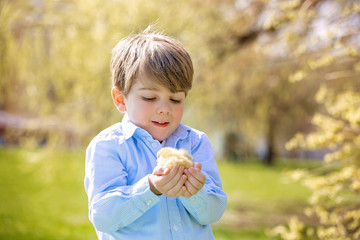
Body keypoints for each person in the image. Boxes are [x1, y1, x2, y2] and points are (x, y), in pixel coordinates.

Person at [84, 26, 227, 240]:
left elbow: (214, 212)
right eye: (150, 98)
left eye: (175, 99)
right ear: (120, 99)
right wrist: (151, 188)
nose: (164, 109)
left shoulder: (195, 142)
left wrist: (194, 193)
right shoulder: (109, 146)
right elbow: (104, 216)